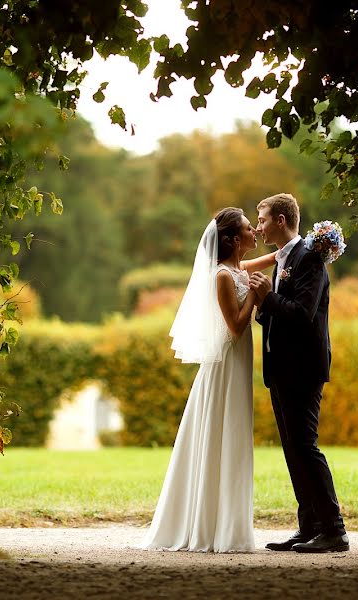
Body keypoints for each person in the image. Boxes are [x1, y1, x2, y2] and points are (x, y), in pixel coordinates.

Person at [138, 207, 277, 552]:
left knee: (231, 433)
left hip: (238, 364)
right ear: (232, 239)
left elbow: (276, 256)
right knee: (223, 432)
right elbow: (234, 328)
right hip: (226, 365)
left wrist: (314, 244)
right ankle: (210, 529)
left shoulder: (239, 269)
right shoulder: (222, 276)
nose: (255, 232)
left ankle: (224, 523)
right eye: (249, 228)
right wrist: (259, 299)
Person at [249, 193, 349, 553]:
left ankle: (334, 530)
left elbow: (303, 313)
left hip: (303, 368)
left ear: (279, 220)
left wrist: (266, 299)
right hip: (281, 367)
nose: (258, 226)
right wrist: (263, 305)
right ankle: (309, 527)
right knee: (293, 449)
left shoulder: (309, 259)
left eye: (261, 219)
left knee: (306, 446)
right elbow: (277, 312)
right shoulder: (283, 260)